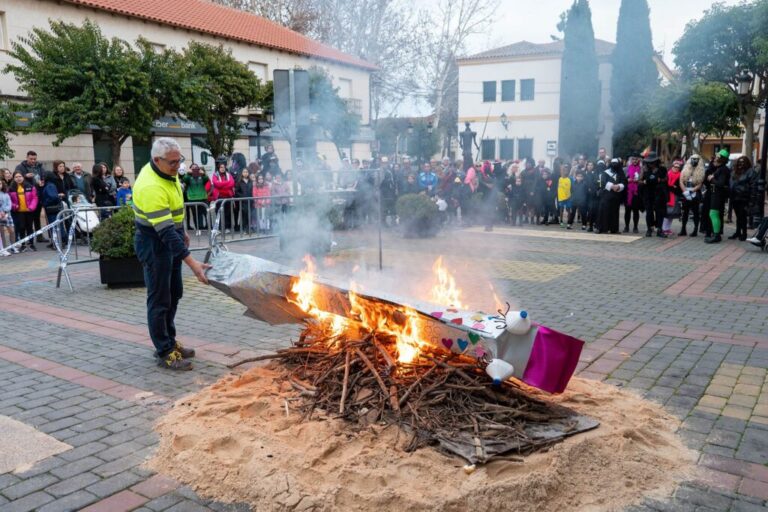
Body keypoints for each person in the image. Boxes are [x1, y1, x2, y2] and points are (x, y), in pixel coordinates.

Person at [132, 137, 211, 371]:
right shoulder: (150, 186)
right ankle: (164, 351)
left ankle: (170, 339)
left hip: (170, 236)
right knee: (159, 299)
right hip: (154, 243)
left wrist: (182, 230)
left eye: (180, 161)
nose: (178, 166)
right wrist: (193, 264)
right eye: (173, 163)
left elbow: (175, 208)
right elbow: (165, 233)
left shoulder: (168, 172)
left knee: (174, 292)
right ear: (157, 160)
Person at [705, 150, 731, 244]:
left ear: (721, 159)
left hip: (718, 194)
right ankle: (717, 234)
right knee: (714, 214)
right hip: (716, 193)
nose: (715, 159)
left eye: (717, 157)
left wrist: (712, 178)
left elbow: (720, 183)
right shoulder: (721, 168)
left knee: (713, 214)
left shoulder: (723, 169)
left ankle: (716, 235)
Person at [728, 155, 756, 241]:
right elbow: (731, 182)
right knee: (738, 216)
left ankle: (744, 233)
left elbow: (753, 185)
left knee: (742, 216)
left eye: (743, 162)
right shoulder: (735, 171)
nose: (741, 164)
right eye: (739, 162)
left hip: (744, 197)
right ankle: (737, 232)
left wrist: (751, 199)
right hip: (734, 197)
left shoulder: (750, 171)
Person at [9, 171, 39, 251]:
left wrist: (31, 207)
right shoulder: (11, 188)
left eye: (20, 176)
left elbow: (34, 198)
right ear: (13, 178)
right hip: (19, 212)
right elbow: (9, 201)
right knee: (21, 228)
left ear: (23, 177)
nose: (18, 178)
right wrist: (14, 206)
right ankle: (23, 245)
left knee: (29, 227)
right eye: (16, 177)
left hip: (29, 211)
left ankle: (31, 244)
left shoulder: (30, 186)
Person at [641, 152, 668, 238]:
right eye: (649, 162)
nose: (650, 164)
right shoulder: (644, 169)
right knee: (649, 212)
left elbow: (666, 179)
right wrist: (645, 181)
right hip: (648, 193)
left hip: (659, 193)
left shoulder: (662, 169)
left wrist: (659, 180)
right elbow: (639, 181)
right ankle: (649, 228)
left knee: (659, 212)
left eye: (652, 162)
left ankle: (659, 229)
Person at [597, 158, 626, 234]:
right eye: (613, 163)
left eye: (616, 163)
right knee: (604, 211)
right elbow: (603, 182)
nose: (614, 165)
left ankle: (614, 229)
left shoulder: (621, 173)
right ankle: (603, 228)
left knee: (615, 212)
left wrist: (619, 186)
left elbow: (624, 182)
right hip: (606, 195)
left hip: (616, 196)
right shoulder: (605, 172)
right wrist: (612, 186)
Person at [678, 154, 705, 237]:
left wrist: (692, 191)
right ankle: (683, 229)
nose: (694, 160)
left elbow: (700, 184)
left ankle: (695, 230)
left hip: (695, 193)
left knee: (695, 212)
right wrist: (685, 191)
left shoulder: (701, 171)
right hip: (686, 192)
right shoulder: (685, 169)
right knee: (685, 212)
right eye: (693, 159)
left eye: (696, 159)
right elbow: (681, 181)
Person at [211, 161, 235, 233]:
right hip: (219, 197)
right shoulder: (215, 175)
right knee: (219, 213)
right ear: (218, 168)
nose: (222, 169)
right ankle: (219, 228)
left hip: (228, 197)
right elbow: (216, 184)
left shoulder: (228, 175)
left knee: (228, 213)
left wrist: (221, 185)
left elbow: (232, 183)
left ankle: (227, 227)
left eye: (223, 167)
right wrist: (226, 183)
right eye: (221, 167)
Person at [662, 160, 683, 235]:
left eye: (678, 167)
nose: (676, 168)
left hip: (676, 196)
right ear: (672, 166)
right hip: (668, 196)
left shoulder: (680, 174)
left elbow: (680, 185)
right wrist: (673, 186)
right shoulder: (668, 173)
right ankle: (664, 228)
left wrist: (675, 187)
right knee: (667, 213)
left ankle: (667, 229)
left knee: (672, 214)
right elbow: (667, 184)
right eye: (675, 167)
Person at [623, 154, 643, 233]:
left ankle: (635, 227)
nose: (635, 161)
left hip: (636, 192)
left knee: (636, 211)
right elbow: (623, 180)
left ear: (638, 160)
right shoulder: (626, 169)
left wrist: (638, 181)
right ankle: (626, 226)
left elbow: (643, 181)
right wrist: (627, 180)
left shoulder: (641, 169)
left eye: (636, 159)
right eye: (633, 159)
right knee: (627, 210)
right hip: (627, 192)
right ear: (630, 161)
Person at [0, 179, 17, 255]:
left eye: (0, 183)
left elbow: (9, 204)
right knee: (1, 233)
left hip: (7, 215)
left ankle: (13, 246)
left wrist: (5, 211)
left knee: (12, 231)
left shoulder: (5, 194)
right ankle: (3, 249)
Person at [235, 167, 253, 232]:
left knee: (250, 215)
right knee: (244, 215)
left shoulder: (251, 181)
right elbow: (236, 192)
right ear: (242, 173)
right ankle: (244, 228)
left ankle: (249, 228)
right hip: (243, 202)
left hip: (250, 201)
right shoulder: (239, 182)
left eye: (246, 172)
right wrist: (242, 196)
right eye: (244, 172)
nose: (245, 173)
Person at [585, 161, 601, 232]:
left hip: (593, 195)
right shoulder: (584, 173)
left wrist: (592, 189)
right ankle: (589, 225)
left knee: (593, 210)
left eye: (591, 165)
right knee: (589, 211)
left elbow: (597, 184)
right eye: (588, 165)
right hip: (586, 195)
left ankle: (592, 226)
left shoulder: (596, 174)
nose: (590, 166)